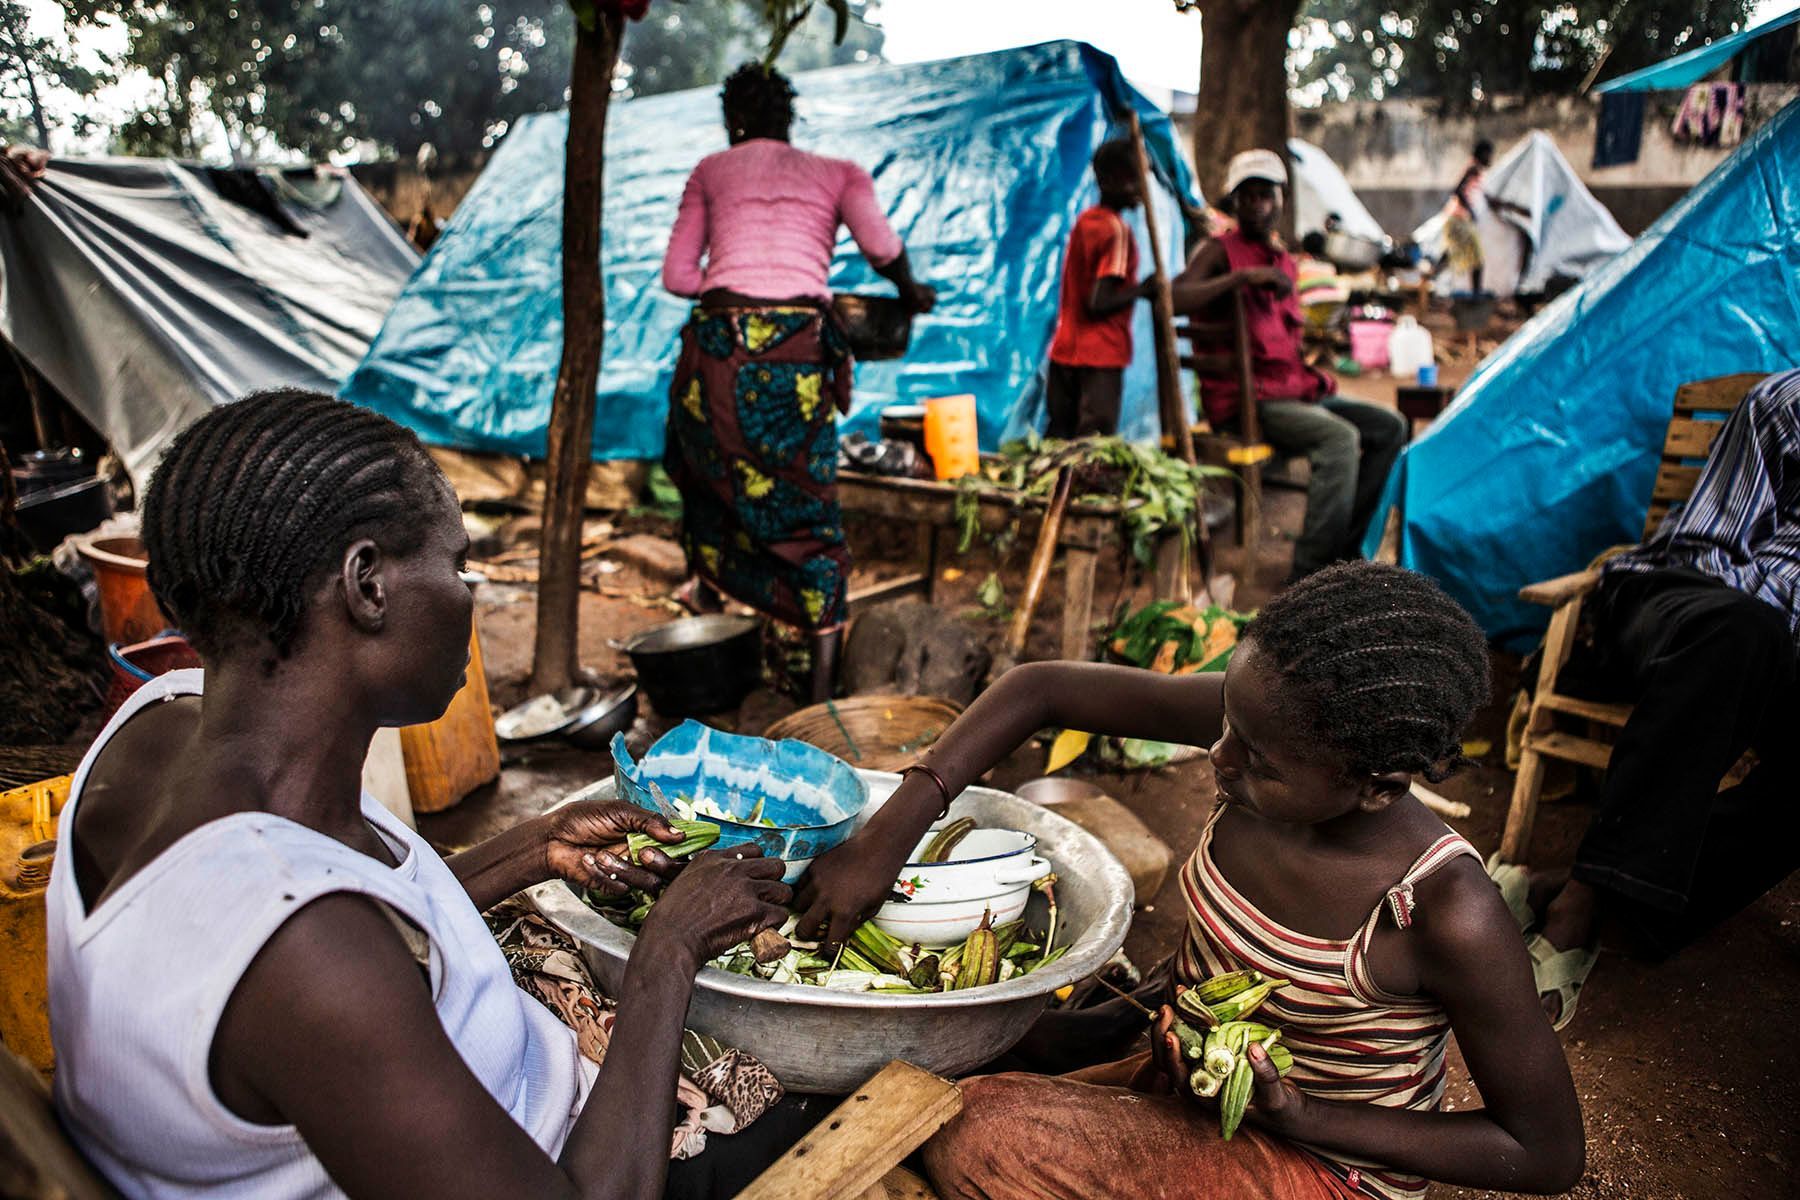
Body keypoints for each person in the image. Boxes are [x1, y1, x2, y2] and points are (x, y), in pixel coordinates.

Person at [46, 390, 800, 1199]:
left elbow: (355, 903)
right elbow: (324, 949)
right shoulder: (305, 955)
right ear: (367, 584)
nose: (471, 597)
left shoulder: (158, 727)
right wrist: (670, 952)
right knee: (810, 1113)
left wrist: (536, 846)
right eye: (458, 566)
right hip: (580, 1166)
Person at [795, 562, 1584, 1198]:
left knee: (978, 1126)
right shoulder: (1268, 725)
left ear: (1378, 785)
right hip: (1194, 1093)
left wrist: (1299, 1112)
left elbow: (1544, 1155)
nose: (1219, 757)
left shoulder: (1441, 910)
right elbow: (1039, 689)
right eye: (1228, 727)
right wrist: (889, 837)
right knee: (945, 1058)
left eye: (1257, 760)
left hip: (1326, 1166)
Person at [1503, 369, 1800, 1029]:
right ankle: (1578, 909)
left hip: (1772, 654)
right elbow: (1707, 548)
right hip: (1684, 598)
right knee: (1745, 632)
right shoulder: (1787, 402)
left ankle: (1590, 887)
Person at [660, 62, 935, 703]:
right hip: (794, 364)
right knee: (810, 515)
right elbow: (884, 249)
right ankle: (817, 696)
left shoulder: (710, 170)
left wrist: (738, 295)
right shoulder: (837, 172)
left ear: (734, 121)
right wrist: (911, 292)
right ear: (790, 119)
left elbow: (678, 276)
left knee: (706, 482)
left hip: (714, 360)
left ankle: (716, 614)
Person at [1170, 148, 1408, 583]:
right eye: (1249, 197)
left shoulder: (1282, 258)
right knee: (1339, 440)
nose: (1259, 205)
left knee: (1390, 426)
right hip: (1250, 400)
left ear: (1281, 200)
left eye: (1268, 196)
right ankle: (1310, 575)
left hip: (1294, 388)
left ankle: (1346, 550)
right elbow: (1173, 298)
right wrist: (1239, 279)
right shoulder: (1220, 252)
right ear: (1235, 204)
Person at [1044, 138, 1154, 438]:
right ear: (1115, 181)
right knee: (1093, 445)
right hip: (1099, 357)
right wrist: (1143, 290)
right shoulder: (1115, 230)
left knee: (1059, 438)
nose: (1143, 189)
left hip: (1065, 352)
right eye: (1138, 179)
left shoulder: (1085, 222)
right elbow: (1098, 302)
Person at [1442, 139, 1530, 296]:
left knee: (1458, 258)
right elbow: (1457, 190)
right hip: (1460, 219)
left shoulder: (1478, 173)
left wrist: (1513, 207)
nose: (1490, 158)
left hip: (1459, 220)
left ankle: (1473, 293)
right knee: (1475, 261)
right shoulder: (1473, 169)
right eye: (1488, 154)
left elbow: (1488, 199)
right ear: (1481, 154)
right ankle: (1476, 296)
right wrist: (1470, 211)